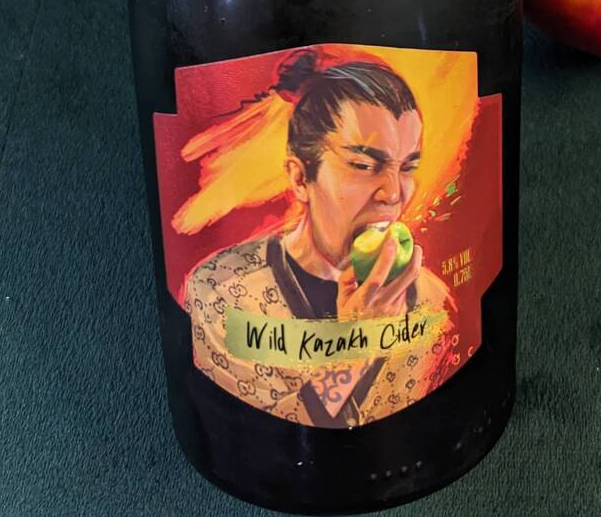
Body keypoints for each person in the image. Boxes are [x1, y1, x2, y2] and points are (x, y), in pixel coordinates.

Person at [185, 51, 454, 427]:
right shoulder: (222, 292)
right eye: (363, 165)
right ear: (300, 178)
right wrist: (357, 344)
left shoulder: (431, 299)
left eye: (408, 166)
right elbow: (253, 434)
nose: (394, 193)